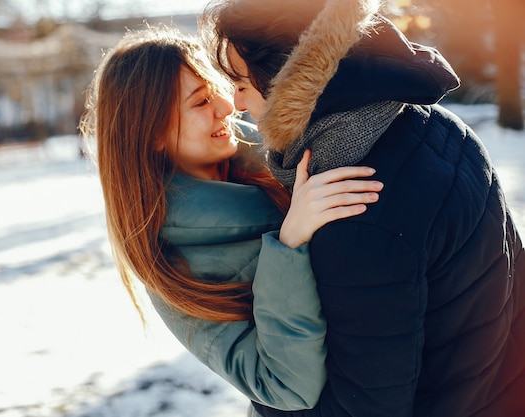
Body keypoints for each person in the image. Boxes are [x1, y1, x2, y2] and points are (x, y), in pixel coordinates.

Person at [201, 0, 525, 416]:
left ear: (286, 77)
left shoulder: (352, 201)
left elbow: (362, 404)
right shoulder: (430, 121)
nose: (237, 103)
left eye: (242, 84)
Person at [78, 24, 384, 414]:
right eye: (200, 102)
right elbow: (284, 385)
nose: (227, 107)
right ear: (151, 133)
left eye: (217, 89)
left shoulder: (277, 147)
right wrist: (288, 243)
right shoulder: (168, 264)